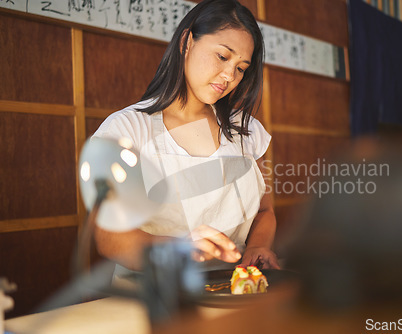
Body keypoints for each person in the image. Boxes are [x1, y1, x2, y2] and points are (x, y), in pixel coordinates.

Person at [91, 0, 280, 275]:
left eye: (241, 68)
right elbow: (108, 237)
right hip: (156, 300)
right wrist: (175, 250)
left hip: (232, 291)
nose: (229, 76)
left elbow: (264, 212)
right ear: (187, 42)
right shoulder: (128, 129)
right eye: (223, 56)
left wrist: (256, 248)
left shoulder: (245, 130)